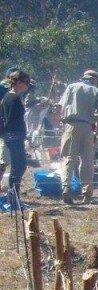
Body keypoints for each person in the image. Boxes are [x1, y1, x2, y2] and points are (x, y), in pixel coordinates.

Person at [58, 69, 98, 204]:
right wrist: (97, 128)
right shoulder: (96, 91)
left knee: (68, 158)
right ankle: (87, 193)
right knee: (87, 160)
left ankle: (66, 188)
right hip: (87, 127)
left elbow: (61, 107)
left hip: (71, 125)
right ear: (95, 79)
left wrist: (61, 122)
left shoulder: (72, 87)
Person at [0, 70, 33, 206]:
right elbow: (11, 120)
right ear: (19, 83)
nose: (27, 85)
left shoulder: (11, 97)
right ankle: (13, 198)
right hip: (13, 136)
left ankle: (14, 197)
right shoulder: (12, 98)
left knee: (19, 166)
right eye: (26, 83)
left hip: (13, 136)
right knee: (18, 167)